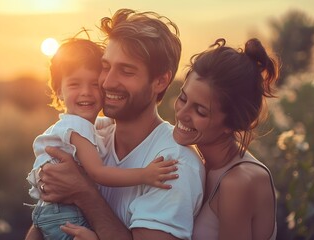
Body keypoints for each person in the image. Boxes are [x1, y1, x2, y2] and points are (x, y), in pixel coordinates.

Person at [25, 8, 205, 240]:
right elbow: (45, 220)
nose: (107, 82)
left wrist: (84, 193)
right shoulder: (95, 134)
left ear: (160, 81)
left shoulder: (172, 163)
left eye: (126, 71)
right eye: (106, 67)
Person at [172, 38, 278, 239]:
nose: (181, 114)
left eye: (200, 111)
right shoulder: (200, 162)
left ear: (232, 124)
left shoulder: (238, 182)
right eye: (183, 98)